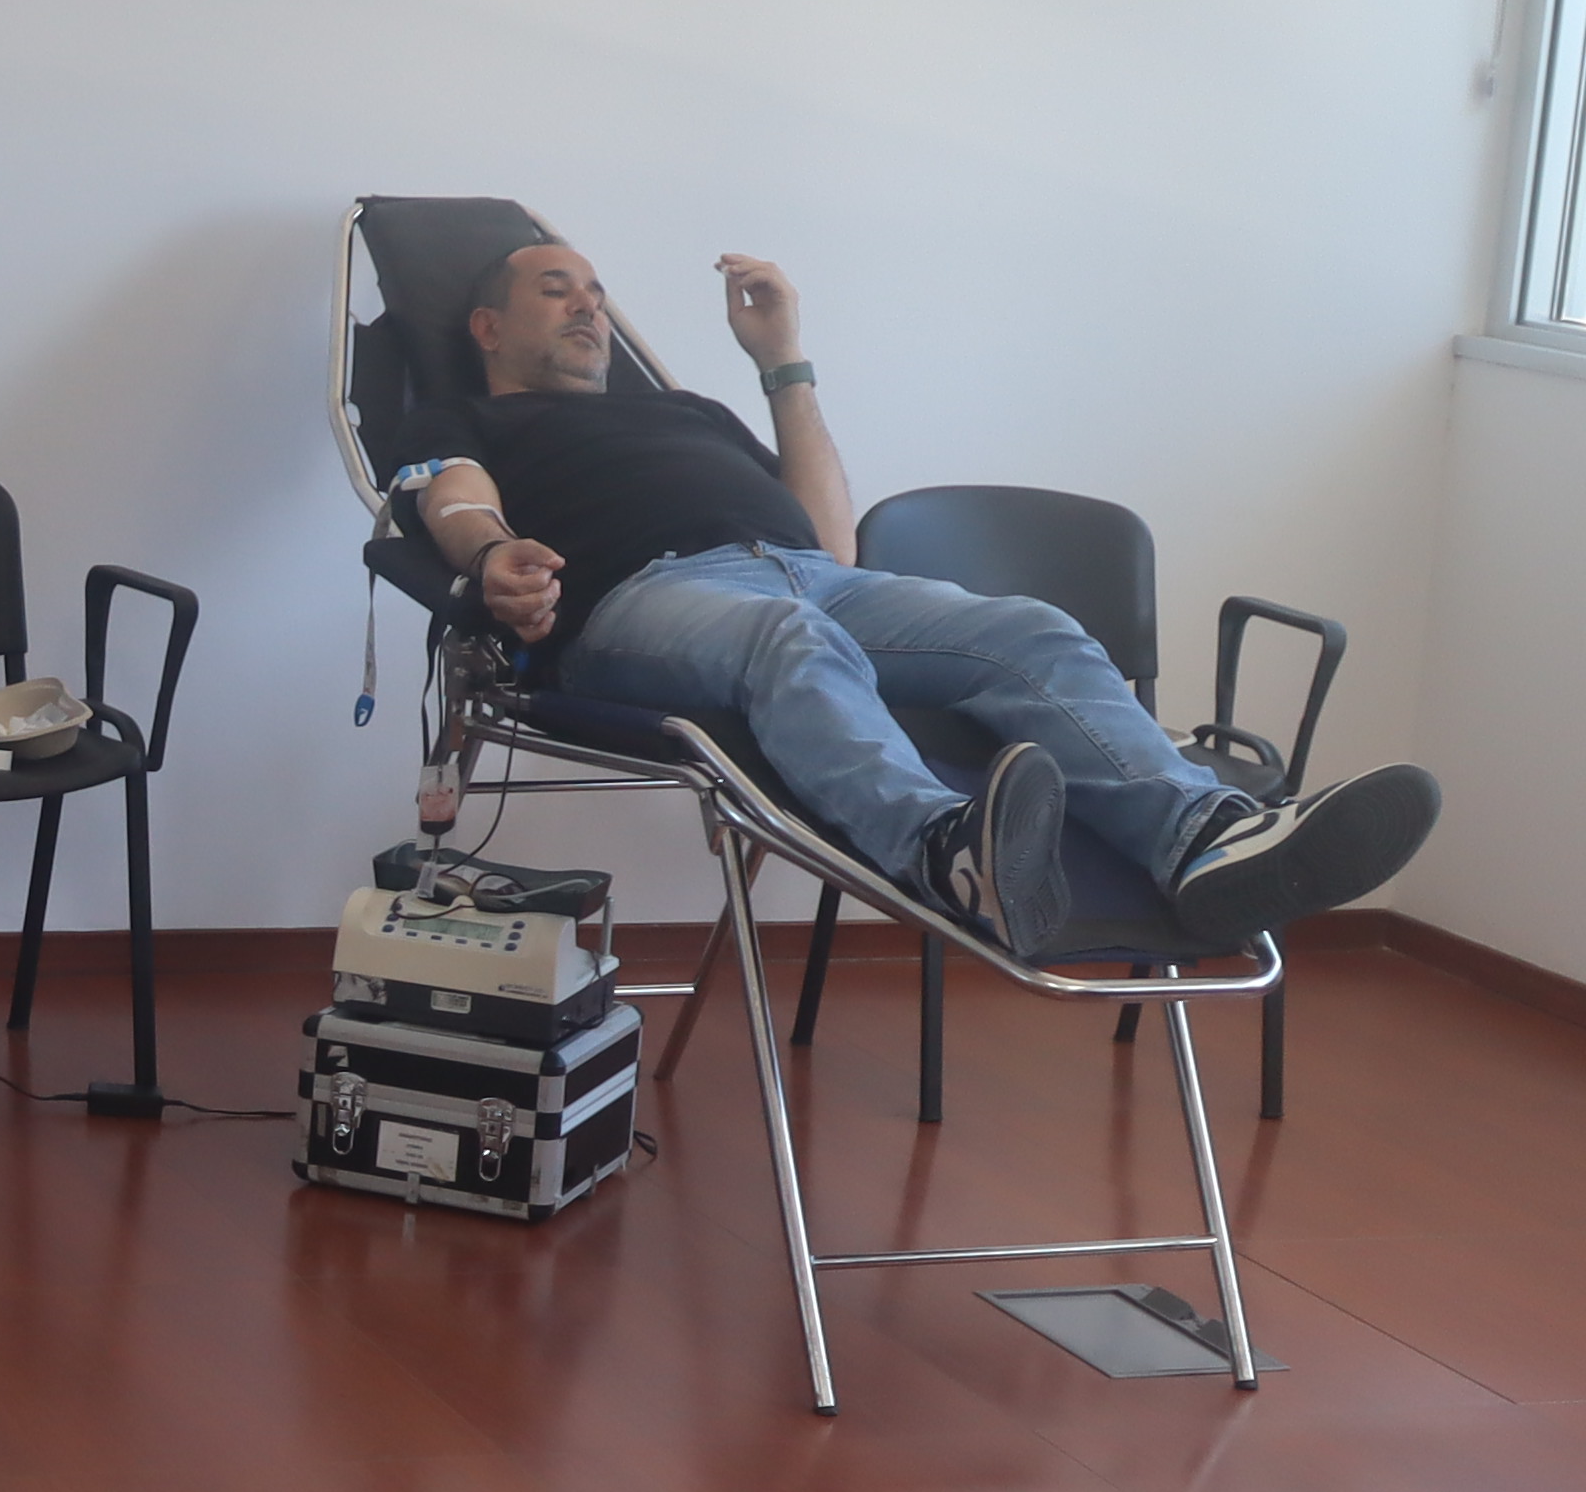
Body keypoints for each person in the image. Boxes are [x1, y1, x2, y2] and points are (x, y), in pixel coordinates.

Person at [396, 237, 1438, 956]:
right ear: (487, 325)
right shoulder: (469, 419)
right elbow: (454, 498)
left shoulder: (687, 410)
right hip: (641, 603)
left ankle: (1201, 840)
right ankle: (946, 853)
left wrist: (782, 362)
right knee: (784, 637)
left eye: (594, 289)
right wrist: (491, 556)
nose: (590, 305)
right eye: (556, 290)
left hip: (813, 575)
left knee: (1030, 629)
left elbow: (831, 539)